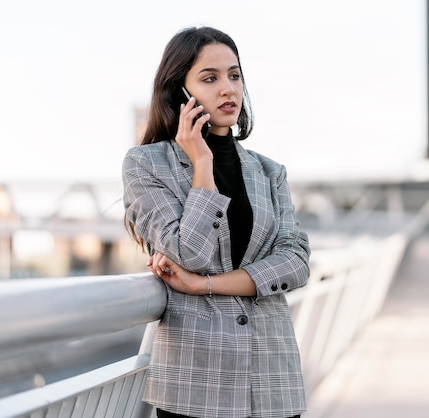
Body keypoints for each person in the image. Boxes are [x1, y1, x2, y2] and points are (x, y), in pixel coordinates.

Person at [122, 26, 310, 418]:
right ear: (180, 93)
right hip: (197, 386)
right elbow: (190, 251)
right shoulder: (145, 164)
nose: (228, 89)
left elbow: (296, 261)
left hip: (272, 379)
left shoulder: (269, 172)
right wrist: (202, 162)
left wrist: (204, 285)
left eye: (234, 75)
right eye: (210, 78)